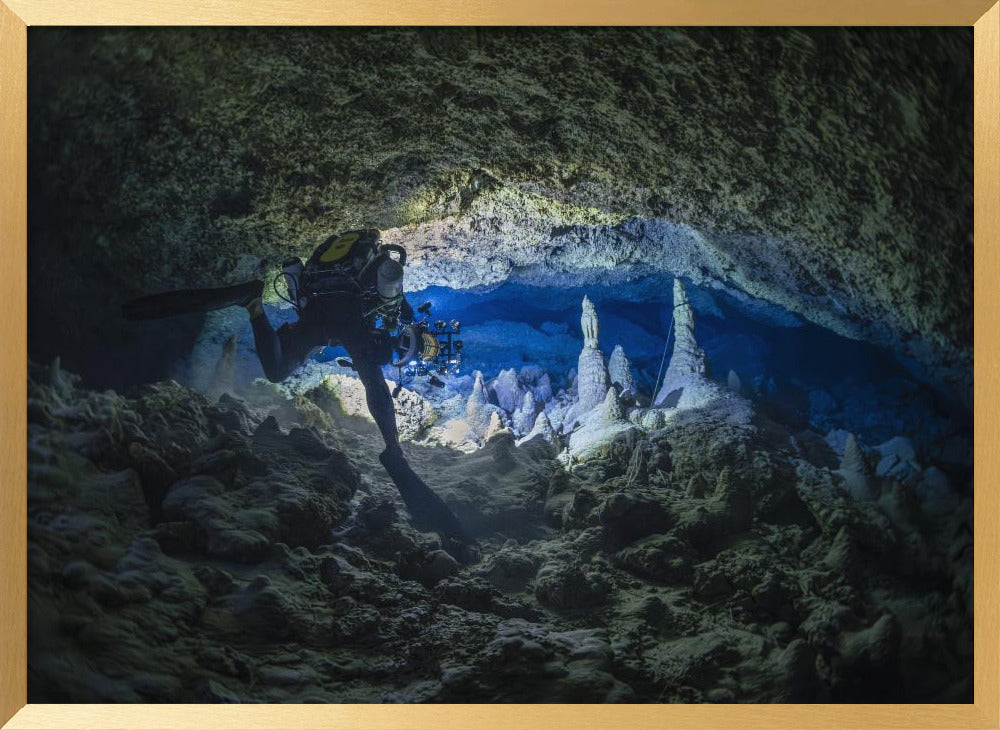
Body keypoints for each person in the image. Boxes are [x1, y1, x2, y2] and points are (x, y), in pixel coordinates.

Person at [123, 229, 477, 560]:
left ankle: (252, 303)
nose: (396, 350)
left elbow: (379, 358)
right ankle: (251, 304)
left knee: (277, 370)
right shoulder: (376, 329)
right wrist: (392, 445)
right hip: (337, 314)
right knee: (349, 368)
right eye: (402, 346)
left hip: (319, 309)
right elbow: (375, 385)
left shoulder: (387, 317)